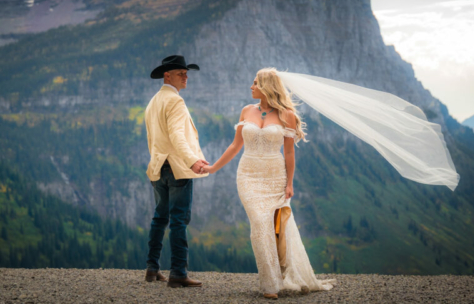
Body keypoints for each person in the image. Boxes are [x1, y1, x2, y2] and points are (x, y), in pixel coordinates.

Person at [202, 67, 335, 299]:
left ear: (266, 86)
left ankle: (281, 276)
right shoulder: (246, 111)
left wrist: (289, 183)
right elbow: (235, 146)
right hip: (248, 175)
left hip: (275, 176)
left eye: (255, 83)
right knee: (260, 225)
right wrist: (213, 168)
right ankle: (270, 284)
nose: (251, 86)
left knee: (275, 228)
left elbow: (289, 153)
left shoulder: (287, 115)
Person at [144, 55, 209, 288]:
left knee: (159, 218)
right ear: (167, 75)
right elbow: (177, 136)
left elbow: (153, 139)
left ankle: (152, 269)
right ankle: (179, 273)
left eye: (186, 72)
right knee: (179, 220)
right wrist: (193, 161)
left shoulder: (154, 101)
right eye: (181, 73)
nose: (186, 76)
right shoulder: (175, 101)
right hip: (177, 168)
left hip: (157, 168)